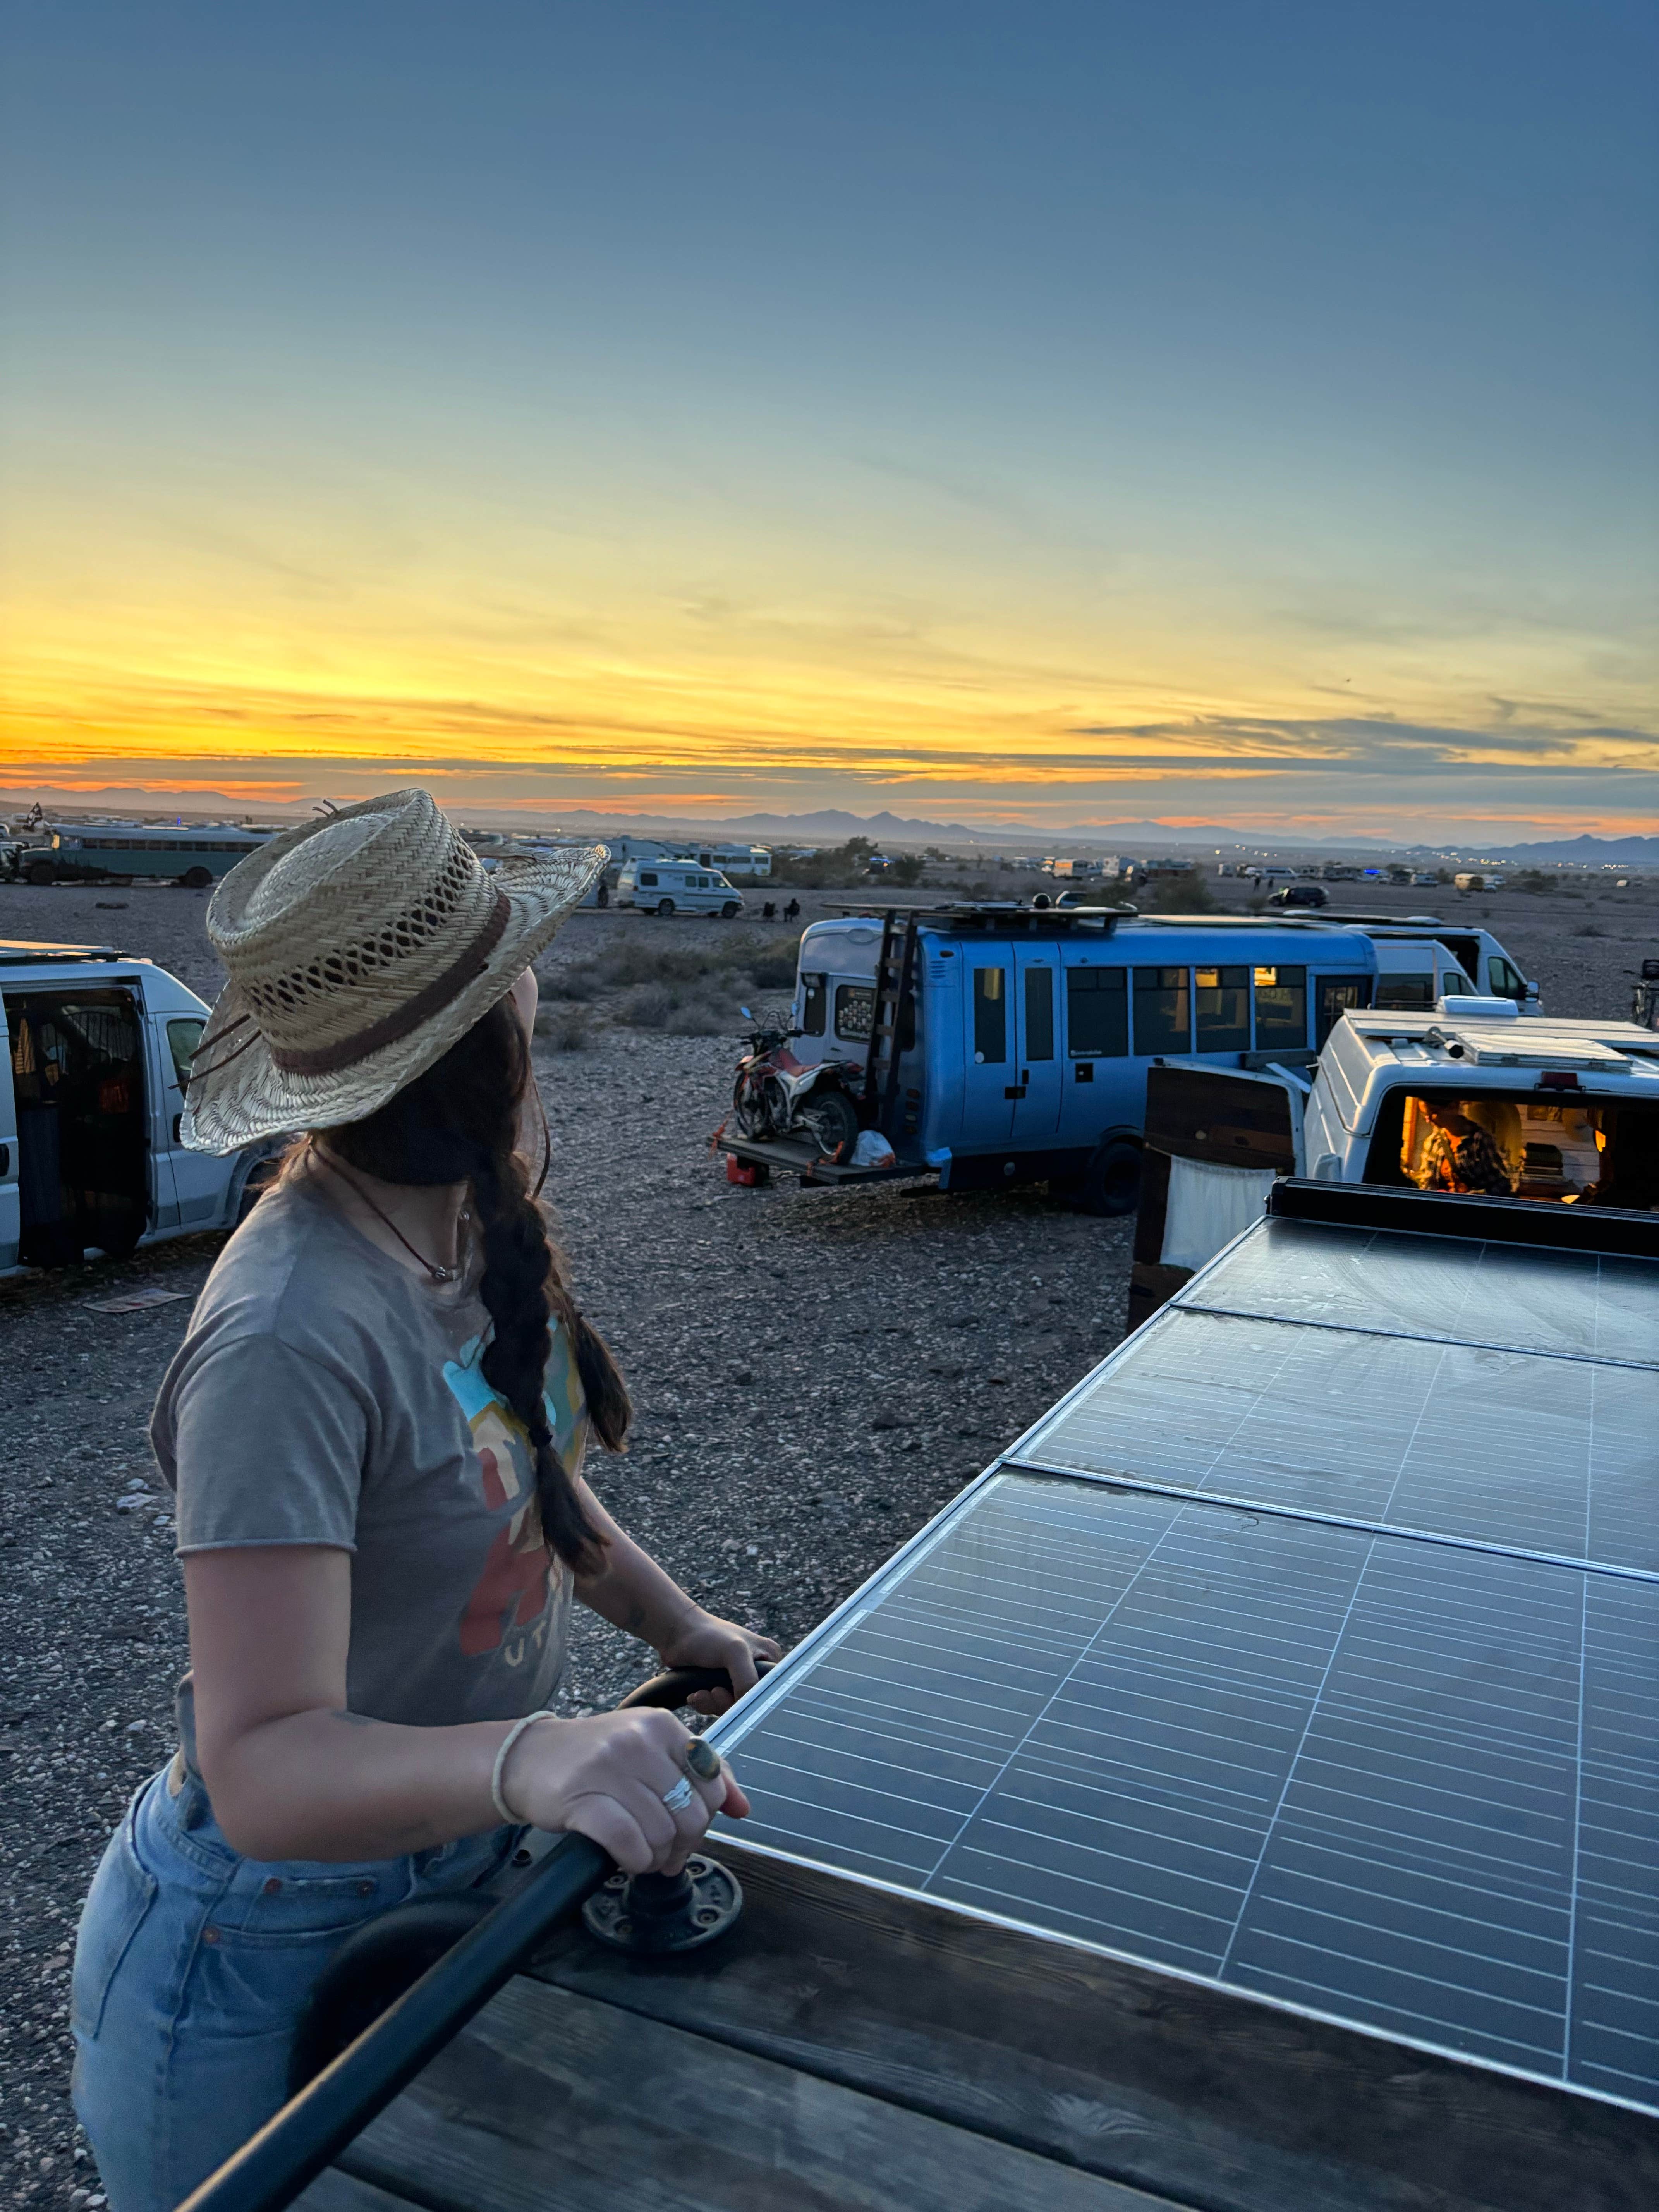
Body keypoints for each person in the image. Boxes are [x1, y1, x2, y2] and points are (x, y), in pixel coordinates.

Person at [70, 791, 779, 2212]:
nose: (539, 974)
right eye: (517, 957)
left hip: (462, 1870)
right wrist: (538, 1757)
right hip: (266, 1945)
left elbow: (543, 1497)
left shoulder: (465, 1225)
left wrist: (684, 1625)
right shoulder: (286, 1332)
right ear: (489, 1034)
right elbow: (265, 1770)